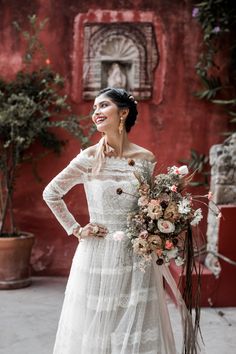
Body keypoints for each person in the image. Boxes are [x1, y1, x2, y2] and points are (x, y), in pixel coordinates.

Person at [43, 87, 200, 354]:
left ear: (123, 112)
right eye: (94, 108)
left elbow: (149, 205)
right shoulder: (90, 158)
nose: (96, 113)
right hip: (98, 255)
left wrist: (162, 224)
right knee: (99, 328)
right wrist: (77, 229)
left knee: (135, 329)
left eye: (103, 106)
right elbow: (51, 193)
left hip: (137, 257)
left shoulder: (145, 159)